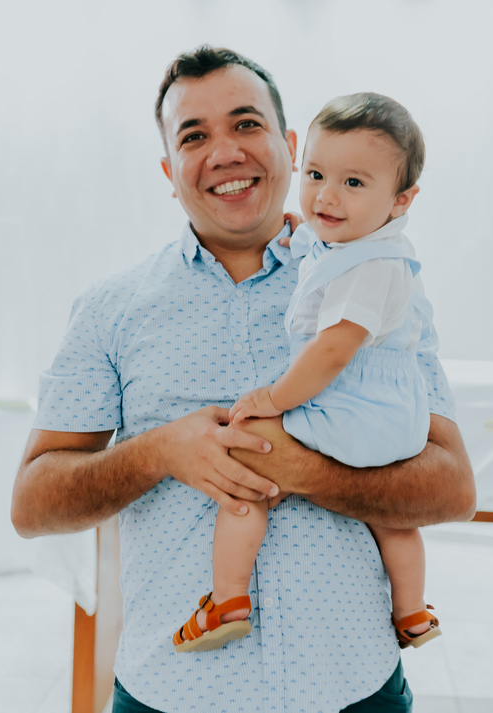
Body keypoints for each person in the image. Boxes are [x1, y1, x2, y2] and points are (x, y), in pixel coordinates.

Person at [11, 45, 476, 713]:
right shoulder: (109, 308)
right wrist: (160, 450)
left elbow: (454, 488)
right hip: (173, 692)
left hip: (355, 690)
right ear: (170, 172)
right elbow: (33, 503)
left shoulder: (380, 284)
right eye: (195, 136)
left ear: (290, 146)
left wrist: (305, 468)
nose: (224, 151)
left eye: (246, 123)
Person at [172, 93, 442, 657]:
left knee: (244, 462)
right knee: (389, 518)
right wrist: (302, 236)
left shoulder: (372, 267)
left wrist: (274, 397)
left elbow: (332, 353)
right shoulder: (353, 245)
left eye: (354, 183)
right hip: (387, 418)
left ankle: (227, 599)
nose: (326, 194)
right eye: (317, 174)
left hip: (356, 412)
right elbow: (320, 255)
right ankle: (413, 610)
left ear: (401, 199)